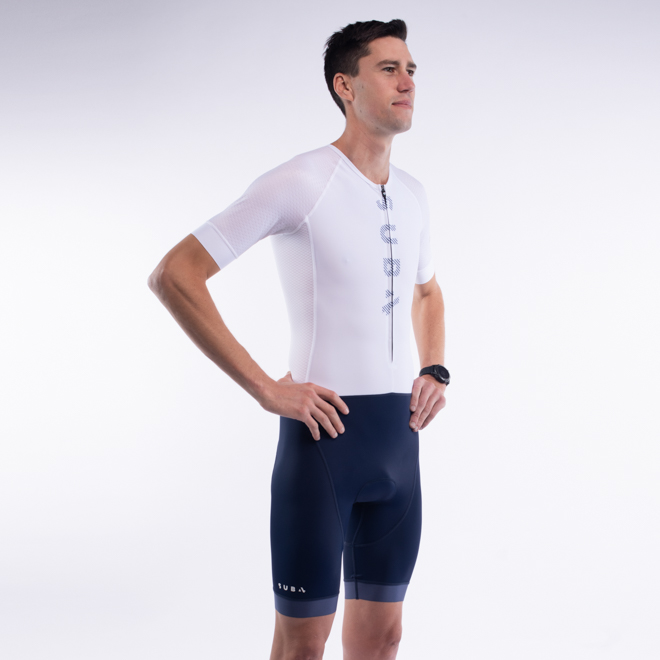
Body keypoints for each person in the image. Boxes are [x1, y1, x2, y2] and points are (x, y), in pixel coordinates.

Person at [148, 18, 448, 660]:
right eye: (388, 69)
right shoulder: (302, 182)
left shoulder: (414, 195)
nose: (407, 82)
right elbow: (175, 274)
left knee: (385, 637)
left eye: (411, 69)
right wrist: (265, 388)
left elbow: (426, 292)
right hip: (324, 444)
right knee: (302, 644)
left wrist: (435, 368)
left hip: (399, 447)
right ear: (345, 85)